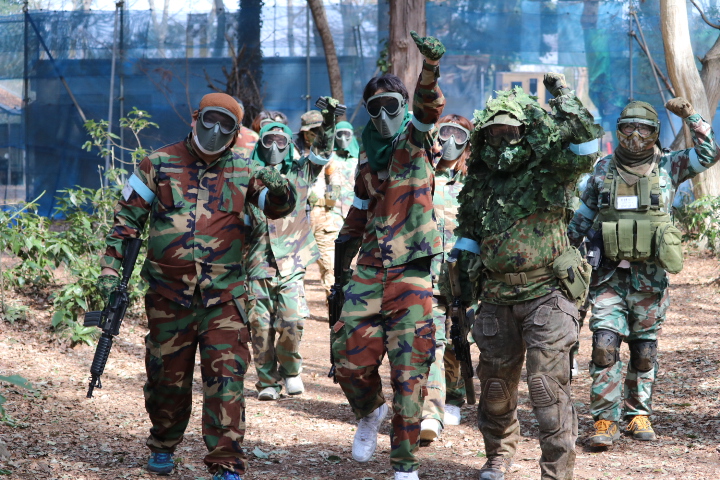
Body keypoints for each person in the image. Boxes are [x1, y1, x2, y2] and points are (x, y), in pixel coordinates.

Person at [96, 93, 297, 480]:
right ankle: (162, 443)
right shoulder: (157, 163)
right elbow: (127, 221)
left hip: (225, 298)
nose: (215, 130)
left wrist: (280, 187)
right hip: (168, 296)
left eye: (226, 124)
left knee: (227, 379)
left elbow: (277, 206)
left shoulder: (245, 170)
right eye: (210, 119)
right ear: (195, 118)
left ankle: (226, 461)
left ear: (236, 132)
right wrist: (109, 270)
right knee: (166, 379)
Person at [446, 75, 604, 480]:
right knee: (495, 390)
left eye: (511, 132)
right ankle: (498, 455)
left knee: (546, 388)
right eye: (495, 132)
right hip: (496, 298)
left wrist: (563, 97)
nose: (503, 140)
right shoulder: (480, 180)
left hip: (547, 294)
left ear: (527, 131)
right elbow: (470, 236)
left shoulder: (552, 170)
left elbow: (587, 145)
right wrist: (457, 286)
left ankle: (556, 471)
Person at [568, 98, 720, 447]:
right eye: (628, 127)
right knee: (604, 346)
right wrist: (561, 256)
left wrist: (692, 117)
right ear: (618, 130)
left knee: (644, 351)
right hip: (608, 277)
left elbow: (709, 153)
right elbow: (581, 220)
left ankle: (638, 414)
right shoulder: (603, 169)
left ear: (654, 132)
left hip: (649, 280)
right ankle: (605, 421)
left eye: (644, 128)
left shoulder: (670, 165)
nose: (635, 136)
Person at [331, 31, 445, 480]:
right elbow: (359, 212)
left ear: (403, 106)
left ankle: (404, 464)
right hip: (369, 268)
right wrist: (340, 268)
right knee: (348, 358)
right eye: (374, 107)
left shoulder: (413, 141)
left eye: (390, 106)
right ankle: (369, 411)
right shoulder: (366, 154)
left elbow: (428, 109)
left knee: (409, 371)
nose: (383, 115)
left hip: (411, 271)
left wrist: (429, 68)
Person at [244, 98, 340, 400]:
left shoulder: (301, 173)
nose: (275, 146)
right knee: (259, 326)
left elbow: (321, 153)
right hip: (257, 261)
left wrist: (329, 123)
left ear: (289, 144)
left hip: (292, 262)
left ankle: (290, 369)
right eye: (269, 140)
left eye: (281, 140)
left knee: (292, 320)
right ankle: (267, 382)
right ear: (260, 143)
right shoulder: (247, 176)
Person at [418, 114, 473, 443]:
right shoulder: (424, 174)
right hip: (427, 275)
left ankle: (453, 397)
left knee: (458, 340)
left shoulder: (473, 179)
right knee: (433, 343)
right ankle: (431, 412)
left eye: (458, 135)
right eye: (445, 133)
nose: (450, 141)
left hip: (463, 277)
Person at [308, 120, 361, 298]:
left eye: (347, 134)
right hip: (332, 214)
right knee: (334, 258)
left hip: (355, 213)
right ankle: (337, 295)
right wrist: (327, 202)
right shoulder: (329, 158)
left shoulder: (359, 159)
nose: (343, 138)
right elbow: (328, 184)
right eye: (340, 134)